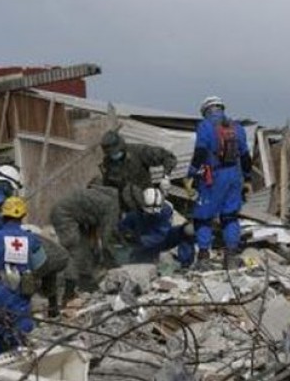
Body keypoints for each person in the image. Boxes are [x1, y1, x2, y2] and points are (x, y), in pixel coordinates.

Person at [0, 197, 44, 359]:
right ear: (22, 216)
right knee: (20, 331)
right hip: (21, 299)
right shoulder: (31, 239)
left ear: (2, 216)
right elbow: (41, 264)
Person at [188, 96, 251, 269]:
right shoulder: (237, 127)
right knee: (230, 216)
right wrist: (248, 178)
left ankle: (203, 258)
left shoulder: (205, 126)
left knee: (203, 217)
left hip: (213, 177)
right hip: (234, 176)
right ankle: (231, 258)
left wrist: (191, 174)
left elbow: (200, 152)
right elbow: (245, 156)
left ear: (205, 111)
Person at [50, 185, 120, 295]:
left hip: (75, 216)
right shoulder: (112, 208)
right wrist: (113, 264)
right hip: (65, 215)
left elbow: (94, 221)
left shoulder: (109, 198)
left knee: (85, 249)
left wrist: (94, 246)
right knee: (75, 250)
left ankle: (85, 280)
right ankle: (70, 289)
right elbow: (107, 241)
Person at [99, 130, 178, 211]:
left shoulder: (139, 152)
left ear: (121, 146)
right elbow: (109, 187)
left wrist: (165, 177)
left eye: (116, 152)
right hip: (128, 207)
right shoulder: (108, 163)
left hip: (148, 201)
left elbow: (168, 157)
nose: (114, 155)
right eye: (110, 153)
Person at [118, 188, 195, 268]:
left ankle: (184, 264)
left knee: (188, 230)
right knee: (138, 261)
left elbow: (160, 235)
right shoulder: (135, 212)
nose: (152, 212)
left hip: (161, 239)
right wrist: (126, 234)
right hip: (141, 242)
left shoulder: (165, 210)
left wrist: (139, 240)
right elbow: (123, 227)